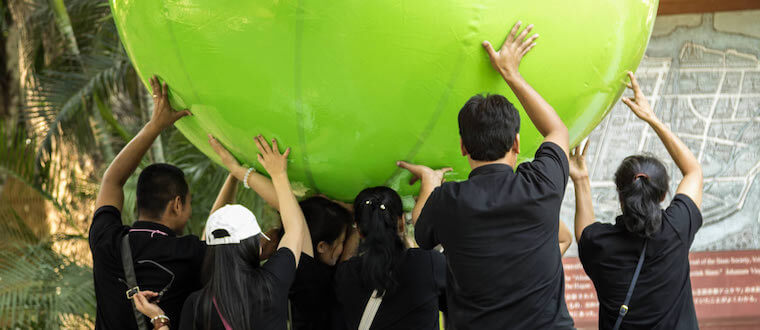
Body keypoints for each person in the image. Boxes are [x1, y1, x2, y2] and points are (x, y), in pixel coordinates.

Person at [398, 21, 574, 329]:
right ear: (517, 143)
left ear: (463, 147)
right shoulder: (541, 184)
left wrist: (430, 181)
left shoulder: (448, 201)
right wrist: (511, 73)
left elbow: (423, 234)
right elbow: (556, 130)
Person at [572, 72, 703, 329]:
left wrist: (580, 179)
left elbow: (585, 231)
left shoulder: (599, 245)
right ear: (663, 195)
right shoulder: (676, 229)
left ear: (620, 197)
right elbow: (693, 171)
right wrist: (651, 118)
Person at [134, 134, 306, 330]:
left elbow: (211, 240)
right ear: (255, 247)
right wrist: (277, 174)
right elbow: (295, 225)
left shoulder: (197, 305)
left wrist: (159, 318)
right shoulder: (272, 283)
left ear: (211, 252)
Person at [208, 135, 358, 330]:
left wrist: (239, 172)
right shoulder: (310, 277)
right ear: (321, 246)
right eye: (341, 241)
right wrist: (274, 174)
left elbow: (292, 217)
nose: (342, 249)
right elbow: (296, 222)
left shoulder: (266, 277)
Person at [89, 76, 202, 329]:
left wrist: (154, 126)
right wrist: (237, 174)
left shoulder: (106, 241)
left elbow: (111, 181)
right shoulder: (191, 253)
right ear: (177, 204)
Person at [333, 186, 447, 330]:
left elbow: (347, 261)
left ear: (360, 231)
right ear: (401, 223)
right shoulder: (428, 263)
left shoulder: (346, 273)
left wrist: (359, 221)